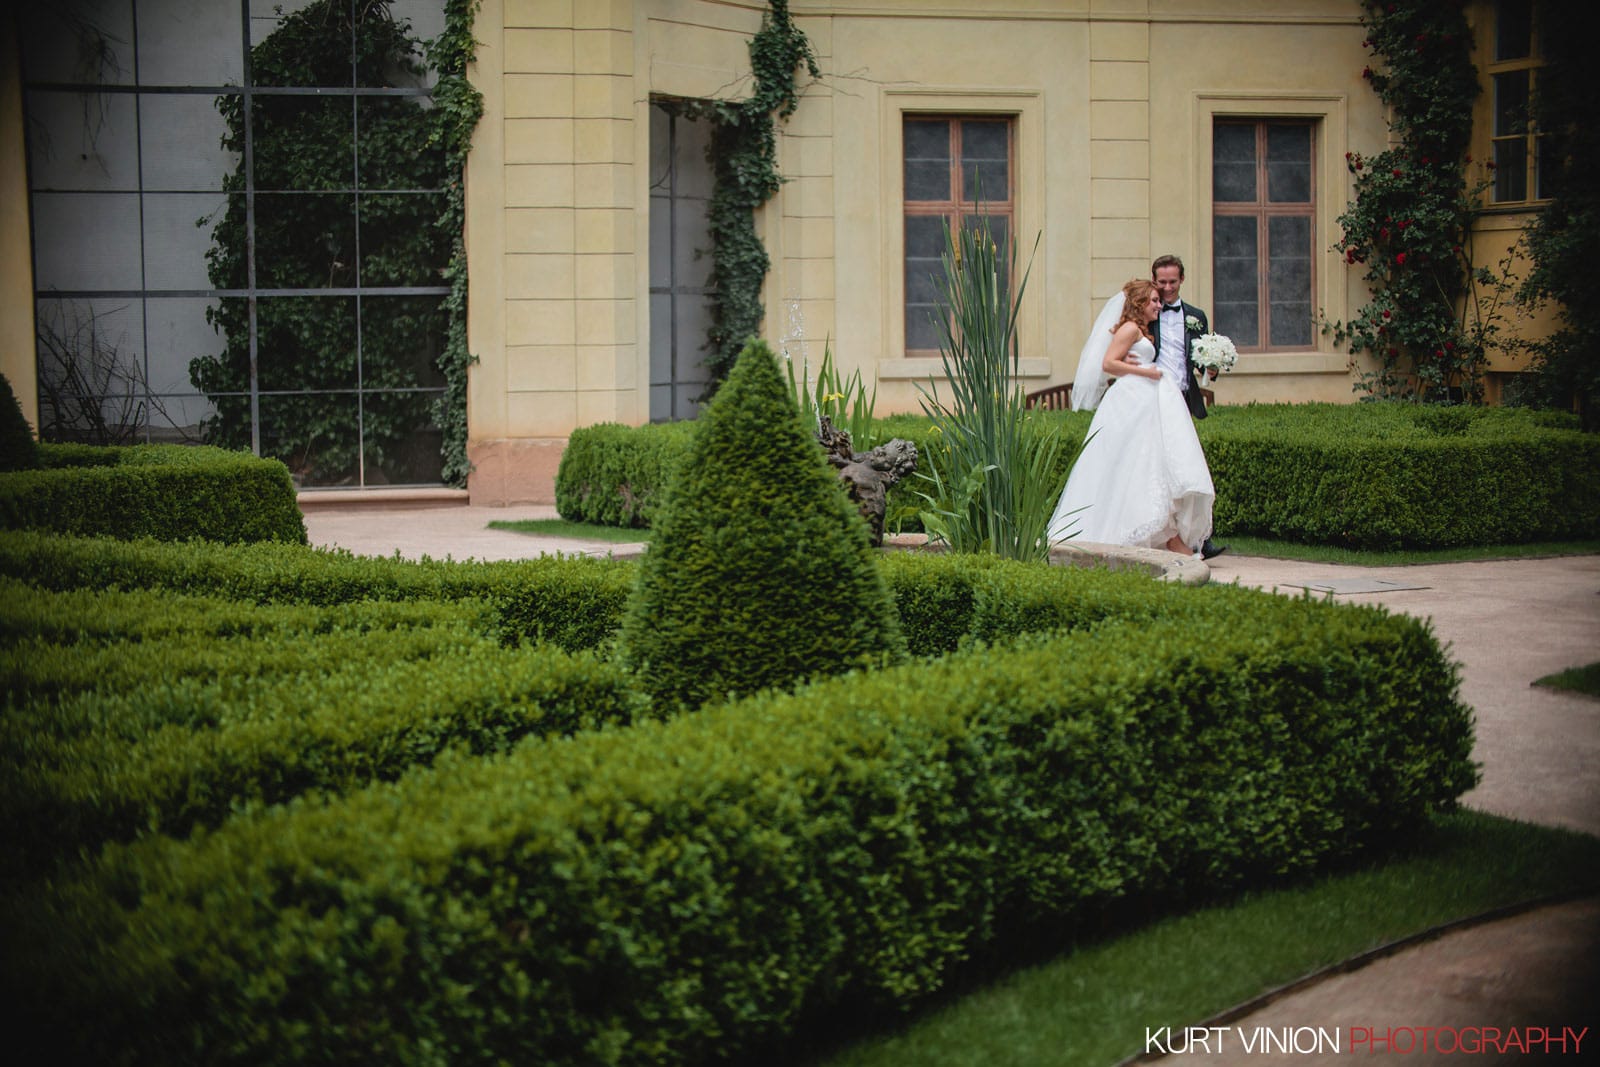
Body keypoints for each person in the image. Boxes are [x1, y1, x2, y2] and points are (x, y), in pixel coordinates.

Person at [1047, 278, 1214, 557]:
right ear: (1139, 303)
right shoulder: (1129, 329)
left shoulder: (1141, 330)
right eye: (1153, 300)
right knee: (1133, 463)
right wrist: (1147, 372)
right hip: (1131, 400)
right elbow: (1109, 363)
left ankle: (1166, 536)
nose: (1159, 305)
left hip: (1143, 400)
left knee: (1149, 464)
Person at [1152, 254, 1228, 559]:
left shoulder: (1196, 315)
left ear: (1182, 279)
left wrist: (1212, 367)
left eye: (1172, 281)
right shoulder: (1149, 311)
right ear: (1155, 280)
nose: (1167, 288)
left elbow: (1199, 357)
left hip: (1183, 400)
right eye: (1162, 282)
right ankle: (1171, 536)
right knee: (1163, 470)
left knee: (1190, 470)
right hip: (1156, 400)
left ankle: (1199, 537)